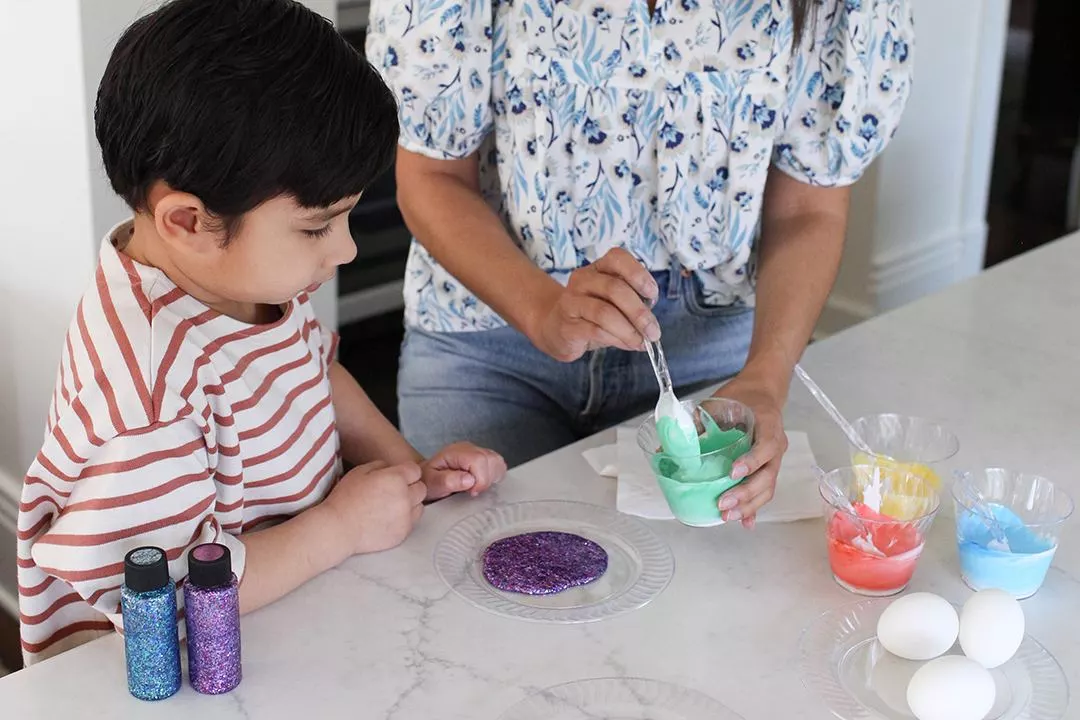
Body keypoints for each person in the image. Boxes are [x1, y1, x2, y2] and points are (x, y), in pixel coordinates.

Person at [16, 0, 506, 666]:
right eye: (316, 227)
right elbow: (170, 601)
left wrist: (405, 472)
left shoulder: (240, 279)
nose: (346, 252)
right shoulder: (147, 393)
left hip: (294, 614)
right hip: (181, 673)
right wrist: (339, 529)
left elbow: (311, 371)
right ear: (187, 222)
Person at [367, 0, 914, 525]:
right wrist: (543, 311)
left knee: (712, 601)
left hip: (717, 353)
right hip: (489, 340)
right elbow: (431, 177)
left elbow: (808, 208)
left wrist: (765, 380)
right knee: (483, 577)